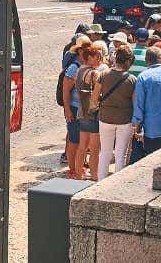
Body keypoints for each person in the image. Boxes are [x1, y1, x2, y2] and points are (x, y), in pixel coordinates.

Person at [94, 47, 139, 181]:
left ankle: (101, 180)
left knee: (105, 152)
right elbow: (135, 102)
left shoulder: (103, 75)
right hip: (124, 120)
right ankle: (116, 182)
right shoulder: (132, 79)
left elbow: (94, 97)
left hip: (105, 117)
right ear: (129, 61)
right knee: (121, 154)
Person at [73, 41, 108, 180]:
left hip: (82, 110)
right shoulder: (94, 73)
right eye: (97, 56)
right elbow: (98, 94)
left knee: (82, 146)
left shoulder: (80, 69)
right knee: (94, 149)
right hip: (92, 112)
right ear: (90, 57)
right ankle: (94, 176)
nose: (99, 59)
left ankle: (78, 174)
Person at [59, 36, 92, 179]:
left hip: (83, 109)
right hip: (74, 108)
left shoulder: (86, 65)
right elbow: (65, 90)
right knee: (74, 140)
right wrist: (67, 110)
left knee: (83, 140)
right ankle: (72, 169)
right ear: (79, 51)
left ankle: (79, 166)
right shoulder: (74, 68)